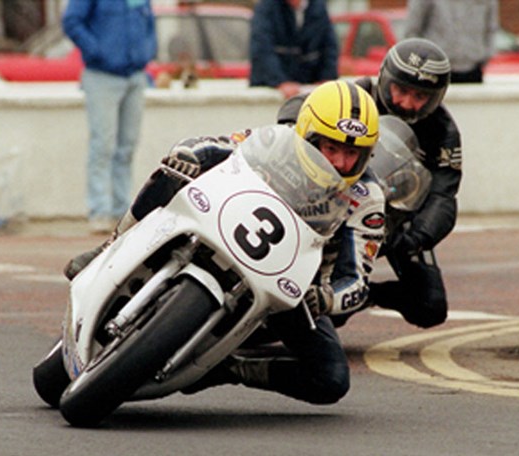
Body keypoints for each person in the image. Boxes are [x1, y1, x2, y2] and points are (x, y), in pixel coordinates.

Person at [65, 80, 385, 405]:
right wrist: (189, 156)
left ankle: (229, 369)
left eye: (352, 153)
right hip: (222, 224)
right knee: (172, 172)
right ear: (307, 133)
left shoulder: (367, 198)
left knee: (330, 379)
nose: (341, 163)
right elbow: (217, 146)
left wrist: (325, 299)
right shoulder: (278, 143)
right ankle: (109, 247)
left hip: (290, 286)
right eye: (331, 148)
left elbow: (356, 281)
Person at [276, 38, 461, 329]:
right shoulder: (357, 93)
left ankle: (366, 294)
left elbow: (444, 196)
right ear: (386, 78)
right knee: (332, 315)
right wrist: (290, 127)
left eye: (420, 96)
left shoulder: (443, 132)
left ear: (435, 97)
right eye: (401, 90)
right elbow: (302, 103)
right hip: (336, 198)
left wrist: (414, 237)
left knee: (430, 306)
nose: (407, 103)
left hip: (395, 221)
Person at [62, 0, 157, 234]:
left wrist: (147, 51)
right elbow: (71, 21)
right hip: (101, 76)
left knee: (127, 146)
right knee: (102, 145)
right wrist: (96, 50)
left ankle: (122, 210)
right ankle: (99, 210)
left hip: (135, 74)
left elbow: (149, 23)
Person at [249, 0, 338, 99]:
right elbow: (262, 50)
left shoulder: (318, 7)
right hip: (270, 93)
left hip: (309, 92)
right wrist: (281, 82)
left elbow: (329, 47)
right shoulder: (266, 8)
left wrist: (326, 79)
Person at [404, 0, 499, 84]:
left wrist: (486, 55)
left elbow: (491, 28)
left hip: (473, 70)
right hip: (434, 70)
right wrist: (422, 63)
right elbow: (413, 31)